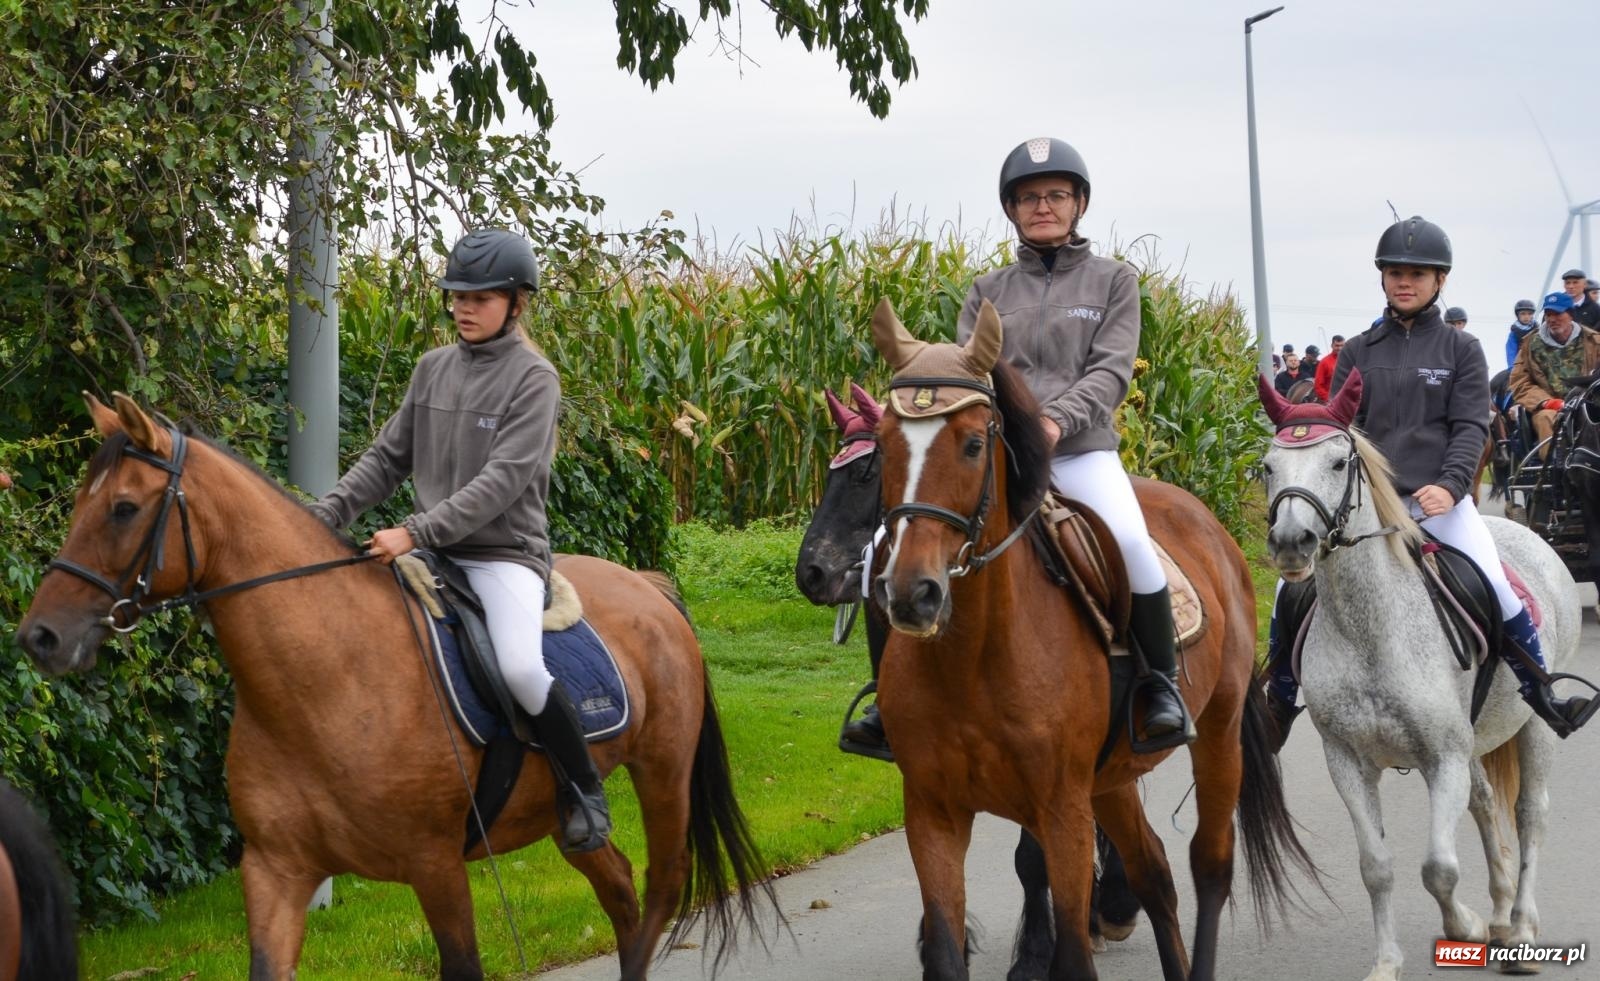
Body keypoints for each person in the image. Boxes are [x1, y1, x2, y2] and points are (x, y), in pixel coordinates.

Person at [305, 228, 612, 853]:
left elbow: (502, 482)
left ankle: (582, 790)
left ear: (516, 302)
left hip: (502, 556)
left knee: (521, 668)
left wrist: (414, 531)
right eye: (457, 297)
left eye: (481, 298)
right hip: (433, 554)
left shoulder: (535, 379)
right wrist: (325, 514)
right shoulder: (433, 369)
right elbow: (387, 458)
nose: (464, 308)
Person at [1263, 216, 1593, 745]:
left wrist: (1452, 485)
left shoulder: (1462, 350)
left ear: (1440, 280)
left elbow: (1469, 427)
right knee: (1289, 588)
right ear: (1382, 278)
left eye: (1417, 273)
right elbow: (1343, 434)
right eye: (1396, 272)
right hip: (1367, 510)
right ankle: (1279, 700)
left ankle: (1540, 691)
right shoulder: (1359, 352)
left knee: (1496, 584)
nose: (1405, 282)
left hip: (1439, 502)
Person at [956, 137, 1190, 751]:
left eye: (1056, 195)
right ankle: (887, 697)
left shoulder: (1113, 280)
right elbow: (969, 370)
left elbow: (1111, 371)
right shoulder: (987, 289)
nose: (1043, 206)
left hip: (1081, 451)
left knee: (1133, 544)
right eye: (1029, 197)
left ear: (1079, 203)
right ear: (1012, 209)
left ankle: (1159, 686)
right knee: (894, 541)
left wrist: (1054, 420)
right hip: (1003, 454)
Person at [1509, 291, 1600, 456]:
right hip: (1550, 408)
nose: (1552, 319)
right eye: (1548, 314)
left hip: (1588, 404)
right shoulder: (1530, 344)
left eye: (1557, 314)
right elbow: (1519, 382)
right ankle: (1554, 466)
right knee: (1546, 418)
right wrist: (1546, 402)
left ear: (1570, 314)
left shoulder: (1594, 340)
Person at [1506, 298, 1538, 371]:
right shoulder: (1514, 333)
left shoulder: (1538, 330)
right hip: (1520, 365)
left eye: (1529, 314)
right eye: (1523, 314)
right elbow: (1511, 351)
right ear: (1518, 315)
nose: (1526, 317)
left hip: (1536, 364)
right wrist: (1512, 368)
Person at [1313, 334, 1345, 402]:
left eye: (1342, 345)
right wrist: (1329, 399)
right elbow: (1318, 386)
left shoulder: (1350, 361)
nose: (1339, 348)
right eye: (1337, 345)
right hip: (1330, 401)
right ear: (1332, 346)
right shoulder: (1324, 362)